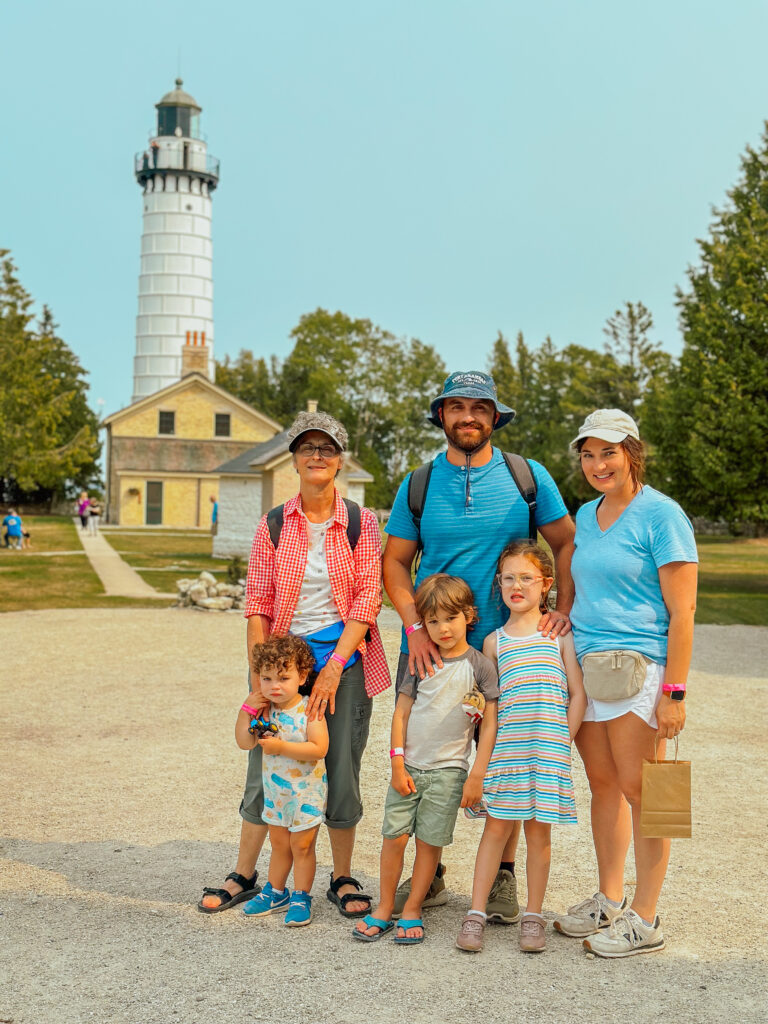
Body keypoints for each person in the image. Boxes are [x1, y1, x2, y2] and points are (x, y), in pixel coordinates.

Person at [383, 370, 576, 923]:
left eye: (480, 408)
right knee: (427, 753)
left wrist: (561, 604)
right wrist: (414, 627)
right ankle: (431, 872)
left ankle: (503, 881)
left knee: (508, 758)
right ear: (441, 415)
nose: (468, 417)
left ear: (495, 417)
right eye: (457, 407)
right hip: (432, 646)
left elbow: (563, 544)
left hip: (509, 645)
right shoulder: (418, 483)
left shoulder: (527, 476)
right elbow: (395, 562)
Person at [199, 410, 390, 917]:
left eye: (326, 448)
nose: (317, 456)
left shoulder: (361, 522)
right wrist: (260, 677)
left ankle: (342, 876)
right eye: (308, 448)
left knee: (341, 764)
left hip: (343, 657)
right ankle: (245, 871)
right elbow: (258, 603)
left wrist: (333, 667)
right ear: (295, 459)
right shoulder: (275, 523)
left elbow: (368, 599)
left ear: (340, 458)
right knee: (267, 760)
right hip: (283, 659)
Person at [553, 409, 698, 958]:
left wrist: (675, 692)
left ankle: (646, 915)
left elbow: (682, 612)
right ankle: (609, 900)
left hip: (641, 668)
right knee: (604, 785)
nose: (597, 464)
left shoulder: (662, 514)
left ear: (631, 453)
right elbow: (581, 585)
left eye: (608, 452)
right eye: (587, 454)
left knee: (646, 792)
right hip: (590, 669)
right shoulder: (586, 516)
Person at [455, 542, 586, 954]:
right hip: (506, 755)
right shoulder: (494, 643)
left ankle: (533, 916)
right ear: (499, 583)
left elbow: (577, 695)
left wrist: (563, 740)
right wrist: (482, 757)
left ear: (545, 583)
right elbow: (488, 708)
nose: (517, 585)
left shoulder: (558, 636)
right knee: (496, 830)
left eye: (526, 578)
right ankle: (475, 913)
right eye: (509, 577)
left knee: (539, 835)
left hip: (547, 753)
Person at [354, 575, 499, 944]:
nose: (442, 628)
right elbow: (401, 713)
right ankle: (385, 907)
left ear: (469, 615)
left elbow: (491, 723)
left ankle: (415, 906)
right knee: (394, 838)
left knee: (429, 844)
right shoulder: (421, 660)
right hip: (410, 768)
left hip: (450, 773)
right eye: (432, 621)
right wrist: (397, 764)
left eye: (450, 618)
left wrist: (476, 775)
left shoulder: (481, 666)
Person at [235, 635, 329, 927]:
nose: (274, 685)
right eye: (266, 678)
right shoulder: (265, 710)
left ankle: (302, 895)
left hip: (305, 795)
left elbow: (319, 748)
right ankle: (276, 891)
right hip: (276, 794)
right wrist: (245, 710)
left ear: (302, 677)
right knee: (278, 844)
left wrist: (282, 747)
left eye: (283, 677)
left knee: (301, 846)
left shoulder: (308, 709)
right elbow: (244, 742)